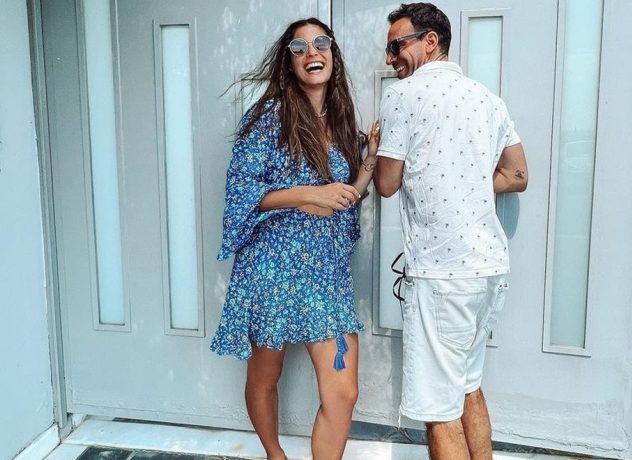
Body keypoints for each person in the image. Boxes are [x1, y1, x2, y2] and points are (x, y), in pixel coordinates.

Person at [210, 17, 379, 460]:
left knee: (343, 392)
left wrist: (368, 164)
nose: (311, 53)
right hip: (272, 267)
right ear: (288, 63)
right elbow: (241, 191)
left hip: (324, 272)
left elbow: (342, 199)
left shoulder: (342, 122)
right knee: (266, 374)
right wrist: (308, 193)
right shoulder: (269, 119)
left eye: (320, 43)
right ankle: (274, 454)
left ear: (333, 54)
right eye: (299, 48)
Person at [374, 3, 528, 460]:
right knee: (467, 388)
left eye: (396, 45)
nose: (390, 58)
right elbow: (517, 174)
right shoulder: (487, 99)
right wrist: (472, 180)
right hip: (488, 269)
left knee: (438, 411)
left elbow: (386, 184)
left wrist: (375, 150)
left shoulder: (402, 96)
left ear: (430, 41)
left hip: (442, 274)